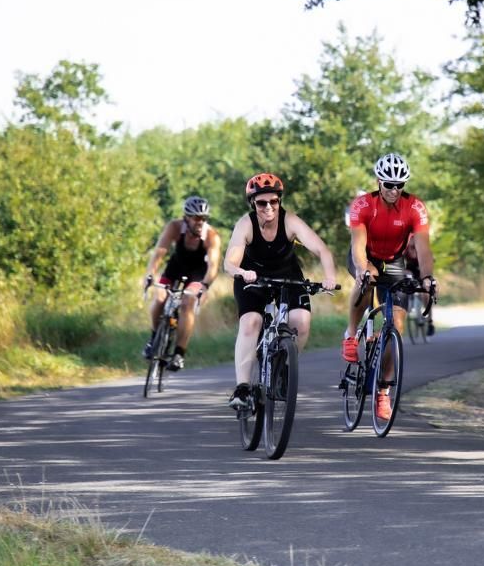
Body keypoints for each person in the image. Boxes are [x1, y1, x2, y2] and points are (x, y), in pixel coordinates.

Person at [224, 172, 338, 409]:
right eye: (261, 202)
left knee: (301, 321)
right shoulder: (246, 224)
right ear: (252, 203)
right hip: (252, 277)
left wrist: (329, 277)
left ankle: (284, 366)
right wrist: (241, 272)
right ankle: (243, 388)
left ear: (279, 201)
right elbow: (229, 262)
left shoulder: (290, 221)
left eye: (273, 201)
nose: (268, 207)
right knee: (251, 323)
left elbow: (322, 250)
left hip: (288, 275)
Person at [344, 152, 435, 420]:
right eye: (388, 184)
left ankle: (383, 391)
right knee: (367, 280)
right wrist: (363, 268)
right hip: (365, 256)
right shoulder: (363, 205)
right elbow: (358, 246)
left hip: (394, 261)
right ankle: (350, 335)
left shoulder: (415, 208)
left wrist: (428, 278)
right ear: (379, 181)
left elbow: (424, 248)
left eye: (400, 185)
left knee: (395, 325)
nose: (394, 190)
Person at [143, 195, 221, 370]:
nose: (199, 221)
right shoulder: (175, 227)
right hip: (174, 270)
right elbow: (159, 253)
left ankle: (179, 353)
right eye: (195, 217)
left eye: (203, 218)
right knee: (160, 298)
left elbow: (213, 267)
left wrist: (205, 286)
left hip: (197, 276)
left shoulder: (211, 236)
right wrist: (150, 274)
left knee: (188, 304)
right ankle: (154, 339)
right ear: (186, 217)